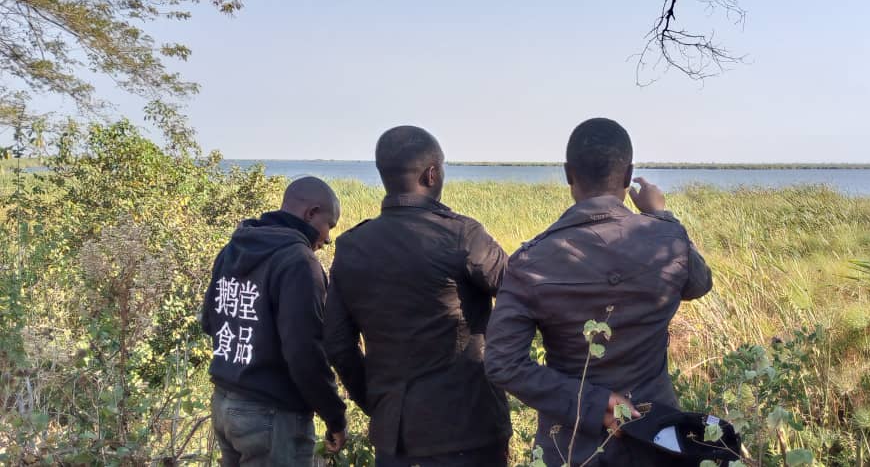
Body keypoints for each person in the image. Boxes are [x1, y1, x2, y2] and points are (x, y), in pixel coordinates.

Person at [484, 117, 713, 466]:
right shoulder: (668, 238)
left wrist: (592, 404)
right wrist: (662, 215)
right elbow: (700, 284)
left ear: (568, 174)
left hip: (572, 445)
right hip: (656, 437)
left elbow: (503, 364)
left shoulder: (531, 261)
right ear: (628, 175)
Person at [324, 126, 512, 467]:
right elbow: (519, 291)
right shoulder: (462, 235)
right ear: (431, 174)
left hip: (394, 438)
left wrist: (379, 403)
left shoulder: (351, 246)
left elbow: (337, 343)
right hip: (469, 429)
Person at [201, 176, 348, 466]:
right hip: (272, 416)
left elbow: (209, 321)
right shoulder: (299, 262)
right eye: (329, 225)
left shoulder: (231, 250)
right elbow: (304, 352)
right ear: (311, 213)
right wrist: (334, 416)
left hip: (224, 404)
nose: (328, 238)